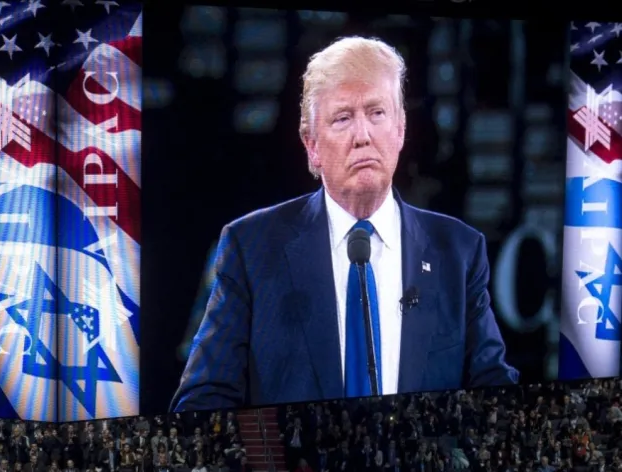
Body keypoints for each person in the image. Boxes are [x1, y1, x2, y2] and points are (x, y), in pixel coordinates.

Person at [172, 35, 516, 411]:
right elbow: (203, 400)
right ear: (312, 145)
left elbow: (493, 391)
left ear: (400, 129)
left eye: (377, 113)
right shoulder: (251, 248)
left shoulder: (459, 250)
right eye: (343, 118)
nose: (363, 136)